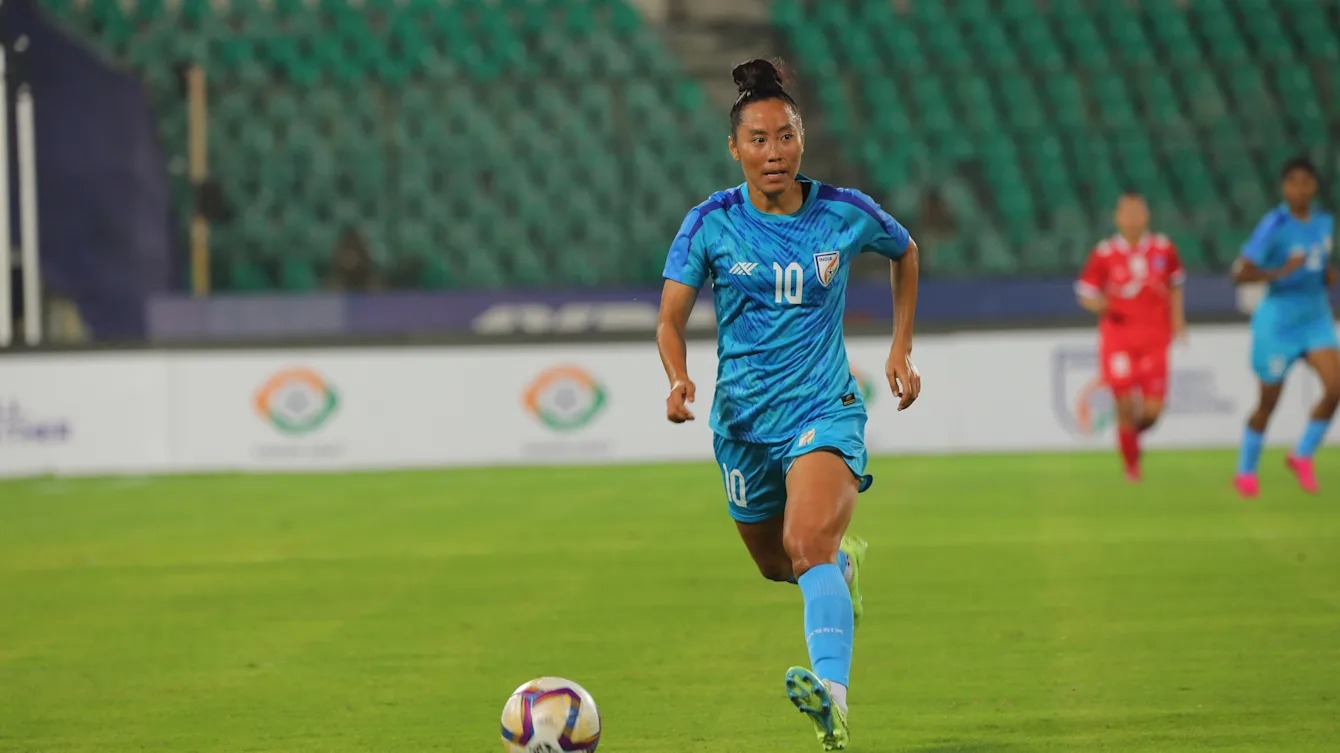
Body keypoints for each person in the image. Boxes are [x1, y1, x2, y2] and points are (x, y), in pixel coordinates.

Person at [655, 58, 921, 751]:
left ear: (802, 139)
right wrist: (678, 378)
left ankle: (832, 702)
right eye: (759, 140)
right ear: (735, 148)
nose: (774, 152)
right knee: (780, 563)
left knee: (807, 546)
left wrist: (899, 348)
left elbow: (906, 250)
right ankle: (846, 568)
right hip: (743, 423)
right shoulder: (711, 222)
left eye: (786, 136)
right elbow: (669, 319)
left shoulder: (843, 212)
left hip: (822, 408)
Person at [1231, 156, 1338, 497]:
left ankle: (1302, 453)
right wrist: (1279, 273)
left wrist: (1326, 274)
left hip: (1315, 317)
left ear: (1314, 186)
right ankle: (1246, 469)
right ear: (1284, 187)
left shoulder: (1323, 223)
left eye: (1306, 182)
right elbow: (1239, 272)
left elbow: (1320, 263)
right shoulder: (1274, 224)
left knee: (1336, 386)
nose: (1300, 189)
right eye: (1293, 182)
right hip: (1278, 323)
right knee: (1268, 404)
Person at [1075, 191, 1187, 481]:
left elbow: (1176, 285)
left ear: (1147, 215)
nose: (1133, 218)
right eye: (1127, 212)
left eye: (1138, 212)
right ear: (1117, 217)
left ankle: (1129, 439)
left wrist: (1178, 321)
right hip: (1119, 339)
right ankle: (1132, 467)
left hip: (1154, 338)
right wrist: (1100, 304)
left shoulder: (1163, 249)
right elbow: (1085, 293)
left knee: (1152, 411)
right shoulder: (1105, 253)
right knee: (1124, 402)